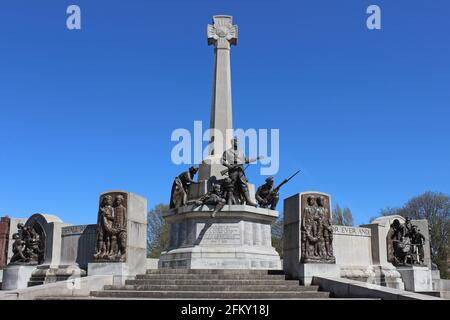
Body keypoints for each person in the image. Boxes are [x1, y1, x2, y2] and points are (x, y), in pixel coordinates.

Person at [222, 137, 257, 206]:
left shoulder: (241, 152)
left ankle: (248, 200)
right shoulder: (227, 151)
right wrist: (228, 166)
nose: (237, 143)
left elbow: (246, 160)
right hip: (233, 170)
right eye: (235, 141)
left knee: (244, 185)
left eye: (238, 142)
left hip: (240, 170)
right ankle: (229, 200)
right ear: (232, 142)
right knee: (231, 184)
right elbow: (222, 161)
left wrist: (253, 159)